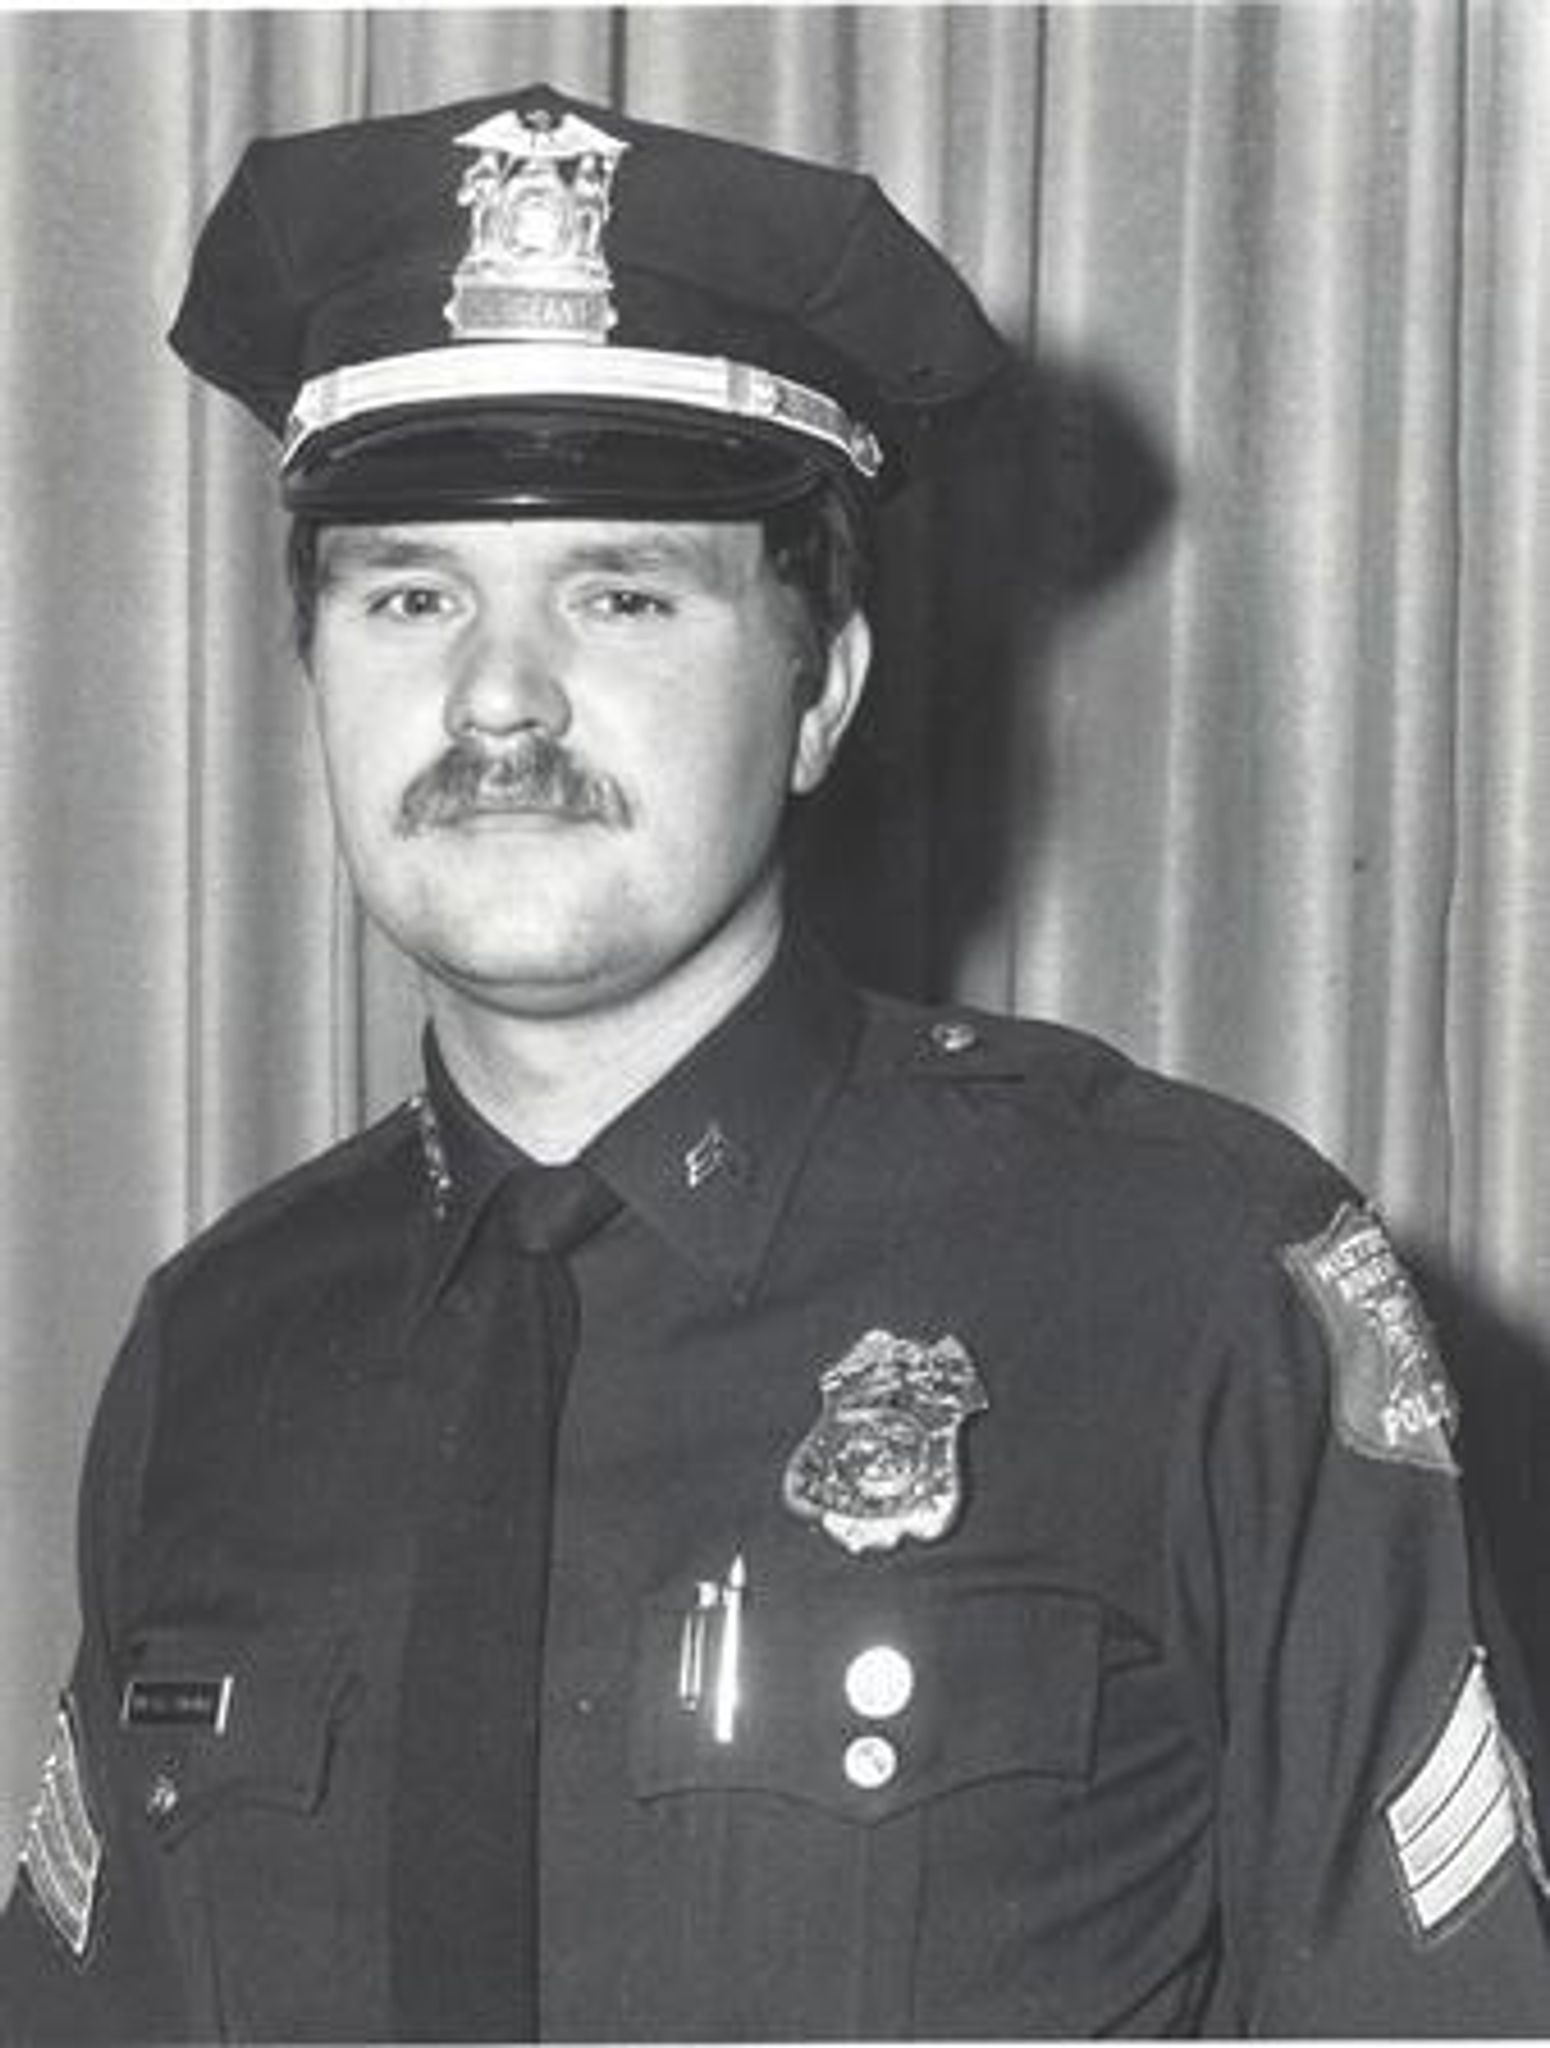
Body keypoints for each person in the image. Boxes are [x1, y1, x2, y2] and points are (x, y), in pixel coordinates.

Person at [2, 80, 1548, 2044]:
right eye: (408, 595)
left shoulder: (1190, 1283)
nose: (497, 698)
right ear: (311, 670)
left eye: (622, 594)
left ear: (820, 690)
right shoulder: (217, 1354)